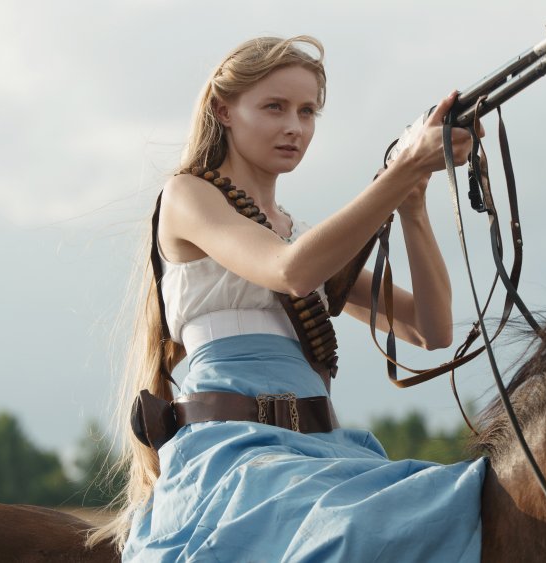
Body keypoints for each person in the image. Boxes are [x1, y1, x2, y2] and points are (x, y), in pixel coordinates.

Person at [90, 35, 487, 562]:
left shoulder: (302, 235)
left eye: (307, 111)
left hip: (321, 451)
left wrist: (412, 204)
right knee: (353, 531)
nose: (294, 127)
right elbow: (290, 272)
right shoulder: (188, 195)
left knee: (462, 506)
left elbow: (431, 330)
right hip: (234, 452)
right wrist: (402, 170)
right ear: (222, 110)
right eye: (274, 107)